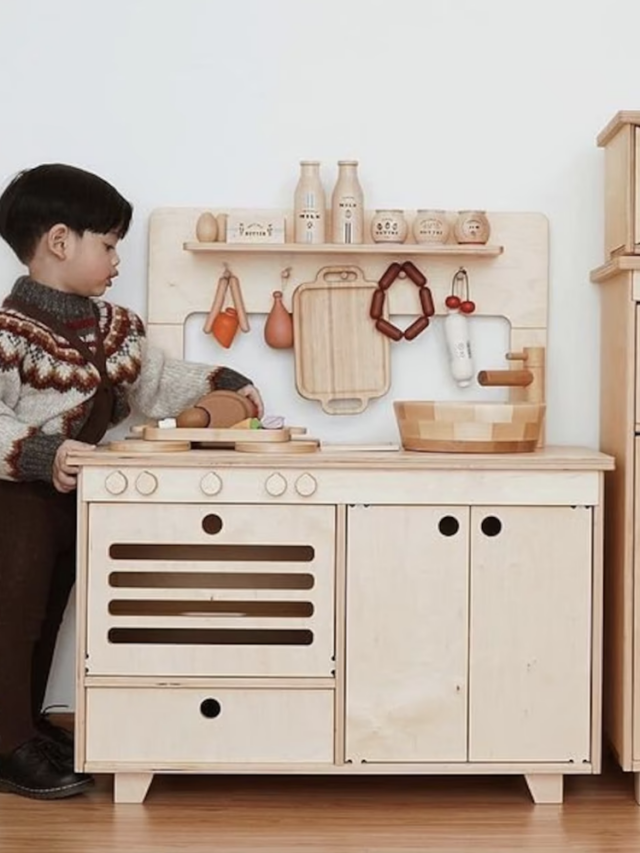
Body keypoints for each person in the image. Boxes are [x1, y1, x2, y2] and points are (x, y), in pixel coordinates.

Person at [0, 163, 263, 799]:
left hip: (75, 499)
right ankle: (6, 745)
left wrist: (222, 384)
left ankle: (24, 726)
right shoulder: (9, 333)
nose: (118, 258)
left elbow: (158, 382)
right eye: (109, 244)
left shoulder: (117, 330)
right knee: (13, 615)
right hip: (16, 499)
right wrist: (42, 453)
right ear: (61, 241)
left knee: (52, 610)